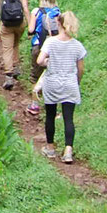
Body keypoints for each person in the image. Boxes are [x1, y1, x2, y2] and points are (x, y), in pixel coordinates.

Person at [35, 10, 85, 163]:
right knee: (68, 118)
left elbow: (39, 61)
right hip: (69, 83)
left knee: (50, 116)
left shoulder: (51, 42)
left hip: (52, 83)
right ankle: (68, 150)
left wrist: (46, 63)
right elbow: (81, 69)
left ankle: (50, 149)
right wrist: (77, 81)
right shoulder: (77, 46)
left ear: (59, 23)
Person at [28, 0, 62, 96]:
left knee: (35, 75)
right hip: (53, 47)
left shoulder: (36, 11)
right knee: (50, 72)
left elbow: (30, 29)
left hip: (38, 45)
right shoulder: (57, 12)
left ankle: (35, 98)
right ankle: (48, 96)